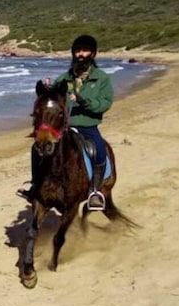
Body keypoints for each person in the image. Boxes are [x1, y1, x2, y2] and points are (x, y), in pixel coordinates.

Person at [17, 34, 113, 209]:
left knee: (99, 150)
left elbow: (105, 103)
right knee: (37, 147)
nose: (81, 54)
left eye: (85, 50)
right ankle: (36, 186)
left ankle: (95, 191)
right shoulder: (64, 78)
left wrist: (84, 101)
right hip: (63, 128)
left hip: (87, 126)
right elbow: (54, 99)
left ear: (92, 53)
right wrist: (47, 91)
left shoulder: (101, 79)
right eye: (78, 50)